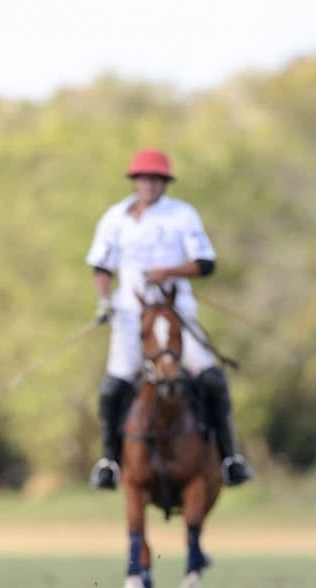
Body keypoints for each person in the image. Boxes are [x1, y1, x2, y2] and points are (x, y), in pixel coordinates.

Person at [87, 148, 253, 490]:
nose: (150, 184)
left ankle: (229, 458)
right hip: (131, 319)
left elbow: (205, 263)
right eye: (145, 178)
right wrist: (104, 301)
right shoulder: (114, 218)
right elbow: (101, 265)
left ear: (164, 183)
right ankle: (109, 463)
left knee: (210, 378)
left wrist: (171, 272)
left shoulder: (182, 215)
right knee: (112, 388)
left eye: (157, 179)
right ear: (135, 181)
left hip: (176, 316)